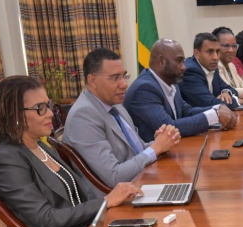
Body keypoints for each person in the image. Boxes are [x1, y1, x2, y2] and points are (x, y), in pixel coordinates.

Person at [0, 75, 141, 227]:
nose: (51, 113)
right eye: (40, 108)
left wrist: (114, 210)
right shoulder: (6, 159)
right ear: (16, 115)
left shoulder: (42, 145)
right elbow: (47, 219)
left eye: (48, 105)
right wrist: (106, 202)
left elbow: (81, 194)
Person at [63, 48, 181, 188]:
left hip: (139, 181)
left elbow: (137, 150)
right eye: (115, 78)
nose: (124, 84)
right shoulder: (83, 116)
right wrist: (156, 148)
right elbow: (114, 176)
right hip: (116, 199)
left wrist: (163, 140)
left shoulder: (115, 104)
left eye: (124, 76)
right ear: (92, 80)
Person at [125, 39, 238, 138]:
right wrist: (214, 115)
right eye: (179, 61)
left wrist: (218, 108)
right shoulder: (144, 89)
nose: (184, 67)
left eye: (183, 61)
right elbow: (169, 127)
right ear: (161, 62)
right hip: (152, 159)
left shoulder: (171, 82)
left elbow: (187, 112)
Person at [180, 31, 239, 108]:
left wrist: (226, 92)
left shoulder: (212, 67)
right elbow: (211, 104)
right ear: (197, 53)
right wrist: (235, 100)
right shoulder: (190, 72)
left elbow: (231, 89)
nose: (216, 57)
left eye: (217, 51)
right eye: (210, 51)